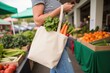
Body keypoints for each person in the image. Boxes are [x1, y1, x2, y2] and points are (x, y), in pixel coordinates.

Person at [31, 0, 75, 73]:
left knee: (54, 67)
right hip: (53, 43)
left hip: (59, 41)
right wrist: (61, 9)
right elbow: (37, 20)